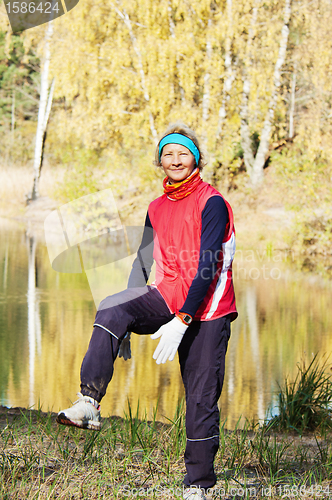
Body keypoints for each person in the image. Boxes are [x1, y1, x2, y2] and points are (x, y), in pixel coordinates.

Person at [57, 122, 237, 500]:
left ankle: (198, 487)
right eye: (168, 154)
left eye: (183, 153)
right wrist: (118, 324)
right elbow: (141, 263)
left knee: (201, 398)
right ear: (160, 161)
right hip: (168, 294)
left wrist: (183, 320)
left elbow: (209, 263)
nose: (175, 160)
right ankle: (89, 402)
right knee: (111, 305)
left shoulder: (212, 202)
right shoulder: (155, 207)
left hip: (209, 309)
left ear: (196, 158)